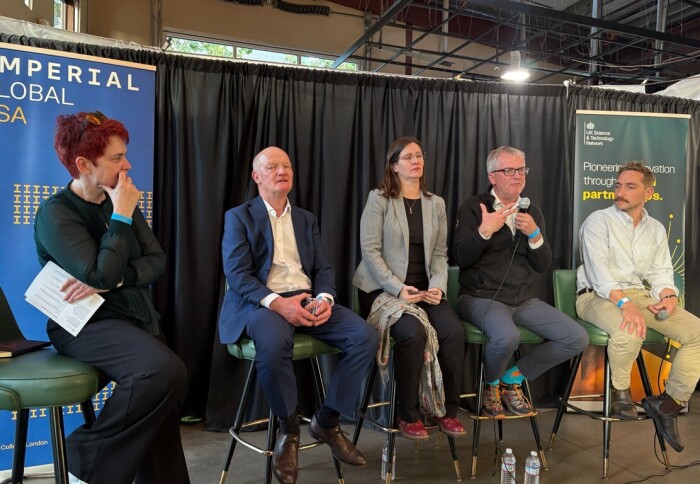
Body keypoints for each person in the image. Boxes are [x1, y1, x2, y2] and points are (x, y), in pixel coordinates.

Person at [34, 111, 190, 484]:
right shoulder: (56, 213)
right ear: (83, 164)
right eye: (117, 158)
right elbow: (98, 275)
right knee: (163, 371)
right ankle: (84, 457)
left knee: (163, 406)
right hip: (85, 324)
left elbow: (157, 261)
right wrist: (121, 215)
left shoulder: (119, 198)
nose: (127, 165)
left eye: (125, 155)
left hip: (136, 318)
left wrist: (118, 279)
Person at [218, 146, 378, 484]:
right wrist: (279, 303)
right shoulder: (239, 216)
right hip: (262, 303)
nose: (282, 171)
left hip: (307, 299)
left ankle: (327, 421)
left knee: (365, 336)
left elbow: (323, 267)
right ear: (256, 176)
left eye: (287, 166)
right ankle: (289, 431)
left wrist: (324, 297)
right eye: (272, 167)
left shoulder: (306, 219)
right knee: (274, 344)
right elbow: (238, 275)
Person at [452, 146, 588, 418]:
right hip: (480, 297)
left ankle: (511, 379)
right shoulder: (474, 208)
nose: (517, 176)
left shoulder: (531, 211)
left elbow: (541, 265)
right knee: (507, 337)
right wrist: (483, 232)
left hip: (523, 300)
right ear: (492, 177)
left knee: (576, 338)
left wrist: (535, 235)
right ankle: (491, 386)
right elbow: (460, 258)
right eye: (509, 170)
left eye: (521, 170)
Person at [576, 161, 700, 452]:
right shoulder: (597, 221)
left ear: (648, 192)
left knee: (697, 332)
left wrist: (668, 297)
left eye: (630, 187)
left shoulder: (655, 228)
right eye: (618, 185)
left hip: (640, 296)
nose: (620, 192)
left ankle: (667, 404)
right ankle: (620, 392)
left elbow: (660, 273)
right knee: (630, 330)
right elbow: (599, 273)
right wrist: (625, 305)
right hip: (596, 295)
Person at [353, 137, 467, 440]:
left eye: (419, 155)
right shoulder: (379, 199)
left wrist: (438, 287)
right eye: (407, 157)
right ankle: (409, 414)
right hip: (382, 289)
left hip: (425, 291)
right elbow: (370, 251)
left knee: (454, 333)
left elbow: (440, 254)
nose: (416, 161)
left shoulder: (436, 203)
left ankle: (447, 412)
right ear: (394, 166)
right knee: (413, 333)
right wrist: (398, 287)